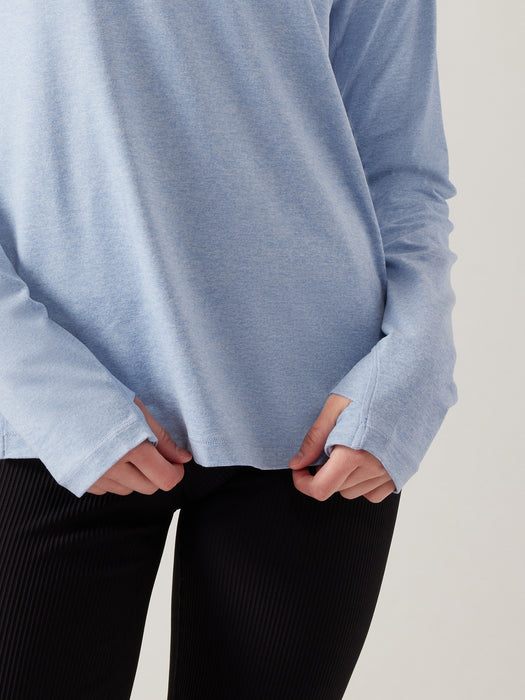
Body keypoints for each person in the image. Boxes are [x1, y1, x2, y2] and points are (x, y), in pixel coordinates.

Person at [0, 1, 457, 698]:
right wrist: (41, 388)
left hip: (321, 425)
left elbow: (401, 165)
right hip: (51, 413)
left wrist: (412, 364)